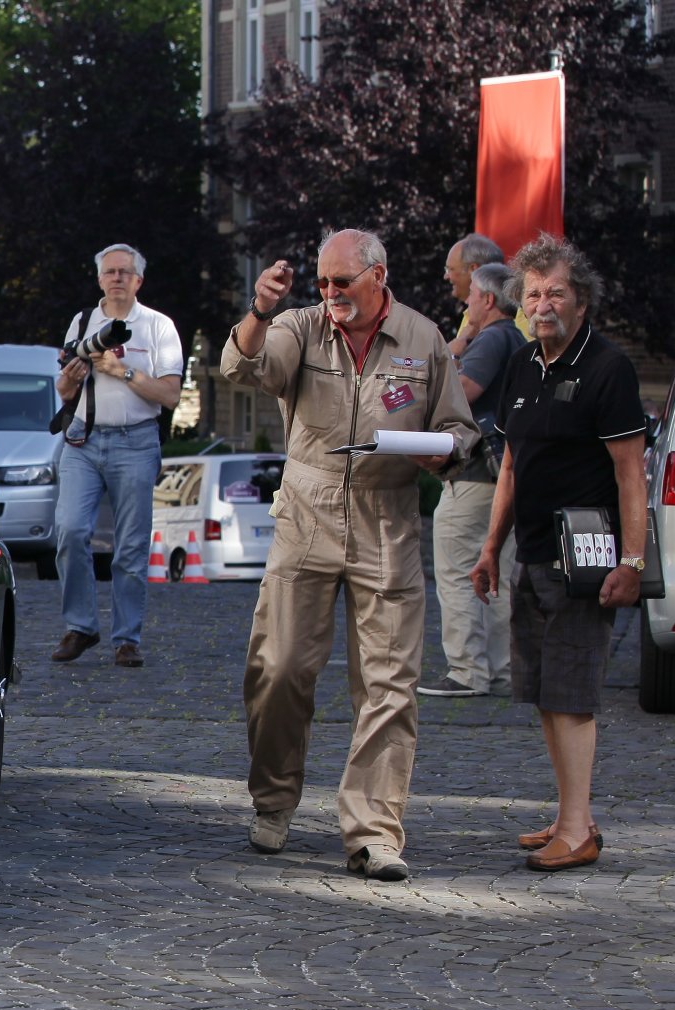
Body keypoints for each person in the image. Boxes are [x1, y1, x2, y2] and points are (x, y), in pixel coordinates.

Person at [221, 228, 477, 881]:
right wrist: (261, 309)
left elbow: (460, 429)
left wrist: (445, 450)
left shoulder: (422, 338)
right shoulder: (299, 327)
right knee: (279, 668)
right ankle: (273, 802)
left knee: (389, 683)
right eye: (323, 282)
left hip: (387, 517)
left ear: (378, 277)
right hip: (306, 513)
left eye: (342, 282)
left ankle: (374, 834)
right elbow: (246, 368)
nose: (330, 293)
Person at [471, 235, 646, 873]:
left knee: (572, 695)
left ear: (582, 301)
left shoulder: (608, 368)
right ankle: (572, 814)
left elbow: (630, 474)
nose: (543, 305)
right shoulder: (523, 364)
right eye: (534, 294)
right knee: (547, 692)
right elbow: (511, 465)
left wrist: (632, 562)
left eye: (557, 294)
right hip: (534, 552)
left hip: (587, 558)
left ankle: (577, 831)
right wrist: (492, 546)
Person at [49, 243, 183, 670]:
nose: (117, 278)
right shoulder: (82, 322)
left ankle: (127, 638)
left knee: (130, 545)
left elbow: (170, 395)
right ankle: (81, 626)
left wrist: (122, 371)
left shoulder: (159, 326)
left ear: (138, 280)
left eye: (125, 272)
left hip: (136, 441)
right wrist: (70, 380)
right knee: (70, 530)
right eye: (110, 272)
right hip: (83, 440)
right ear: (99, 279)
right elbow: (64, 391)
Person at [421, 263, 527, 699]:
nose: (466, 305)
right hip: (504, 477)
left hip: (474, 475)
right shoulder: (518, 340)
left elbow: (462, 391)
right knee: (498, 574)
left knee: (457, 571)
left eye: (471, 299)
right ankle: (501, 671)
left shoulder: (491, 339)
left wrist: (455, 349)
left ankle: (467, 671)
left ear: (487, 299)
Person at [444, 233, 530, 357]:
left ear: (473, 269)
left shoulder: (520, 321)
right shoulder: (470, 315)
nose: (446, 276)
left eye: (449, 269)